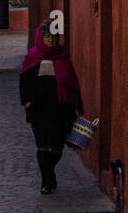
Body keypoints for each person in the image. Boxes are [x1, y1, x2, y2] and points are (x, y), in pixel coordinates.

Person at [19, 22, 83, 194]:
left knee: (56, 147)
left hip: (61, 110)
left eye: (54, 38)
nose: (51, 41)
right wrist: (27, 102)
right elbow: (24, 82)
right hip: (39, 110)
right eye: (47, 37)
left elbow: (73, 83)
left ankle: (50, 174)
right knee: (42, 145)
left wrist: (77, 105)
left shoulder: (63, 56)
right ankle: (46, 181)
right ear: (41, 38)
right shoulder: (33, 57)